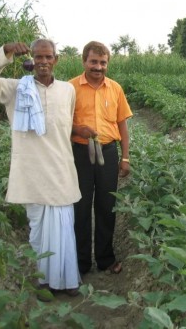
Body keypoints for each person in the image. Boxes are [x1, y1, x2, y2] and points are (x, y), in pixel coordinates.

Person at [0, 40, 82, 299]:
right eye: (38, 57)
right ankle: (43, 280)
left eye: (48, 57)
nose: (43, 61)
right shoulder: (16, 88)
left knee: (64, 226)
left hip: (60, 169)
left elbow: (64, 128)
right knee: (39, 230)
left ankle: (66, 280)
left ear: (56, 59)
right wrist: (5, 52)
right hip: (31, 171)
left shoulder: (67, 90)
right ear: (32, 58)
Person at [70, 41, 132, 275]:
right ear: (84, 61)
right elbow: (61, 123)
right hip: (81, 153)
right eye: (93, 61)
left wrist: (125, 158)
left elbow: (122, 125)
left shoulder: (115, 88)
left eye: (102, 62)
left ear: (107, 63)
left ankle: (105, 258)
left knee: (107, 206)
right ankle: (81, 262)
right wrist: (79, 130)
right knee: (81, 207)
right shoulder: (71, 88)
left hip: (107, 151)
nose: (98, 67)